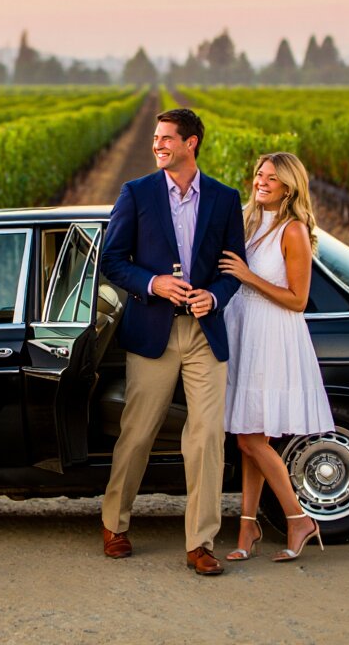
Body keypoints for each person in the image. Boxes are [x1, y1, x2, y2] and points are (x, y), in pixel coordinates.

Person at [98, 108, 247, 576]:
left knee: (206, 438)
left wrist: (214, 296)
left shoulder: (225, 198)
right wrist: (154, 284)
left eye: (166, 138)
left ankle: (200, 543)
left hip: (205, 332)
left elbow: (234, 269)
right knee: (138, 432)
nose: (157, 145)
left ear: (191, 142)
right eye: (156, 138)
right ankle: (115, 524)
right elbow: (112, 261)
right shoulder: (136, 193)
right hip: (152, 332)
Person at [217, 152, 334, 563]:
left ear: (289, 186)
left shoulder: (293, 229)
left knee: (249, 438)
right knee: (251, 436)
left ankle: (298, 518)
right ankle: (248, 526)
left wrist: (247, 276)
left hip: (271, 336)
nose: (260, 182)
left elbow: (298, 300)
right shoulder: (248, 221)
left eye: (271, 178)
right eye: (258, 175)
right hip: (243, 331)